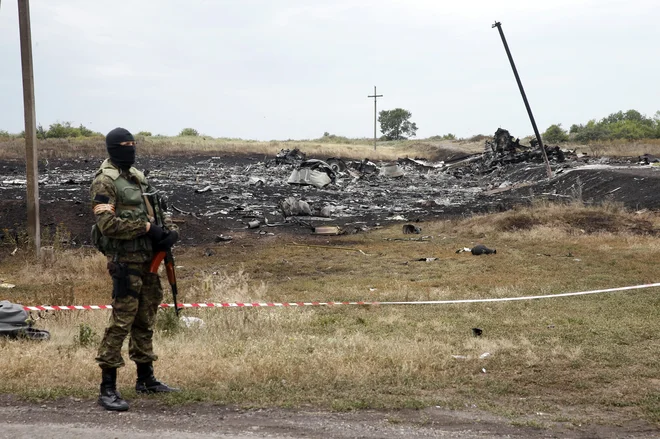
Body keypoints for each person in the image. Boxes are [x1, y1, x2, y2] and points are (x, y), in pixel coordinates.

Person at [90, 127, 180, 411]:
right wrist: (145, 228)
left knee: (145, 319)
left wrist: (167, 232)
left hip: (148, 261)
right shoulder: (105, 182)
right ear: (113, 148)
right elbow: (107, 225)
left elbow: (156, 213)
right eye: (124, 145)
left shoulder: (137, 178)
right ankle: (108, 387)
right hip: (125, 263)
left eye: (133, 144)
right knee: (121, 322)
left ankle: (146, 378)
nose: (130, 148)